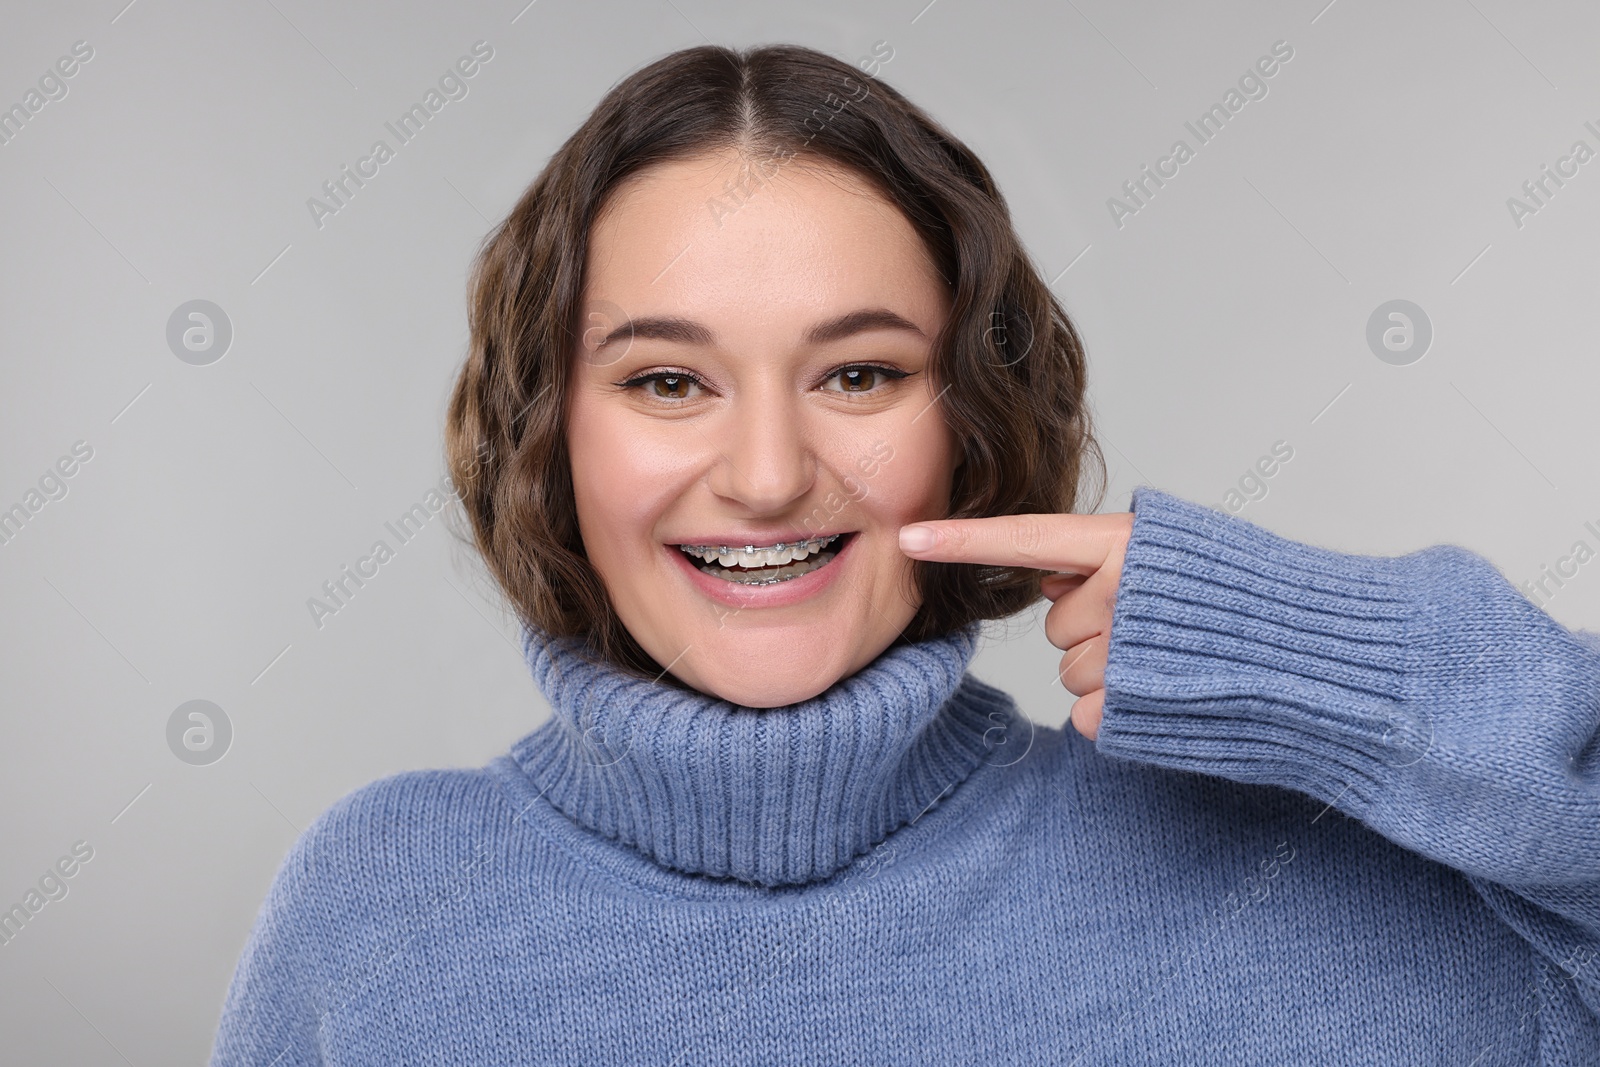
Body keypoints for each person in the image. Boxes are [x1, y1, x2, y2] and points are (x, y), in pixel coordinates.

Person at [208, 43, 1600, 1065]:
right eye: (666, 383)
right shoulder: (376, 908)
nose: (764, 479)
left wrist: (1311, 651)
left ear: (971, 421)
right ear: (548, 437)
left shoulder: (1294, 883)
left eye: (861, 376)